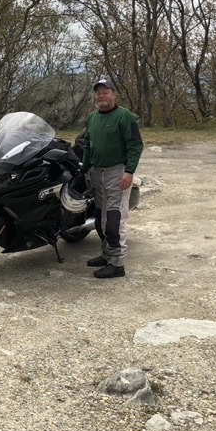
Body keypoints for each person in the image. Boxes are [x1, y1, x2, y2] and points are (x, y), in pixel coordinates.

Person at [82, 77, 144, 279]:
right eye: (98, 93)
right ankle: (107, 254)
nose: (101, 95)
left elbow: (135, 145)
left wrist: (129, 171)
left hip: (117, 172)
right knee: (100, 217)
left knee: (114, 220)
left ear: (114, 94)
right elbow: (88, 146)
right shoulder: (92, 118)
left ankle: (117, 264)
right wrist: (85, 168)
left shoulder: (125, 117)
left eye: (105, 92)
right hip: (96, 173)